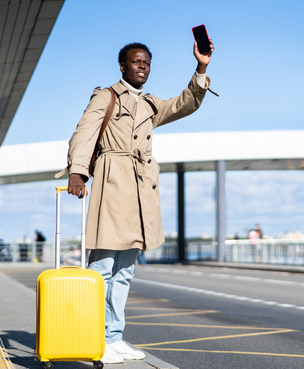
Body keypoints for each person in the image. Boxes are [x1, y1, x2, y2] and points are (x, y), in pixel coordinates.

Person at [62, 40, 214, 364]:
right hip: (112, 184)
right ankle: (94, 338)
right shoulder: (106, 96)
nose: (142, 66)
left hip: (141, 193)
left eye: (146, 62)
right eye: (136, 61)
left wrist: (201, 67)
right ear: (123, 66)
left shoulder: (149, 104)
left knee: (126, 271)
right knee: (102, 268)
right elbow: (84, 134)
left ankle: (114, 337)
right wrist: (77, 173)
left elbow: (184, 104)